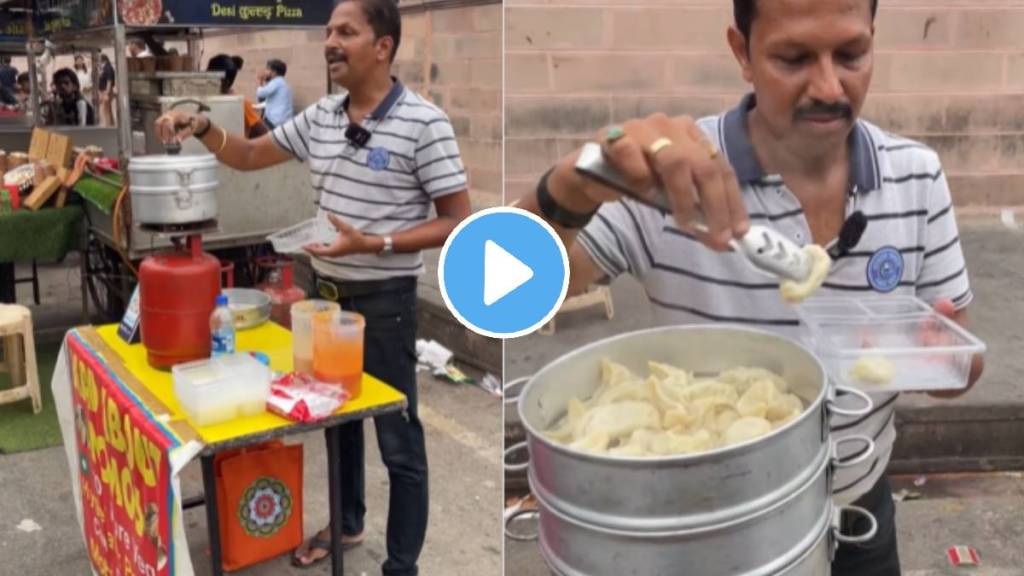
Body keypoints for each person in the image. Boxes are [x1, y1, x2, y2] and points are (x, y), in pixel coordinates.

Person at [518, 1, 985, 575]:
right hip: (712, 532)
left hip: (858, 511)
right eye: (793, 58)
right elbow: (498, 301)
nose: (829, 86)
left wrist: (938, 360)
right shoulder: (675, 180)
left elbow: (957, 363)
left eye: (851, 54)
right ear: (742, 52)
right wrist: (570, 186)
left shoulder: (917, 175)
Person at [155, 1, 470, 574]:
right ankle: (347, 524)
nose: (329, 41)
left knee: (398, 443)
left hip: (385, 304)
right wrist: (200, 125)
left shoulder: (425, 123)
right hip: (325, 299)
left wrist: (375, 243)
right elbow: (251, 155)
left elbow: (457, 220)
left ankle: (401, 565)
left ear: (383, 46)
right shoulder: (323, 115)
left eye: (345, 32)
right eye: (328, 31)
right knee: (336, 424)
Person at [206, 53, 268, 138]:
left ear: (224, 82)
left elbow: (264, 132)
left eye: (209, 76)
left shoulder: (240, 103)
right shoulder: (208, 100)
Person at [255, 57, 293, 129]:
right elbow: (269, 101)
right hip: (283, 121)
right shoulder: (283, 82)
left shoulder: (276, 82)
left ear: (274, 72)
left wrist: (260, 79)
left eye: (268, 69)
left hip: (275, 121)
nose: (265, 71)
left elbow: (260, 93)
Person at [97, 53, 115, 126]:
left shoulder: (108, 68)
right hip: (104, 90)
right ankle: (111, 123)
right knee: (107, 108)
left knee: (105, 109)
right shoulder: (104, 68)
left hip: (106, 90)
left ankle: (107, 124)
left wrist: (107, 92)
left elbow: (109, 80)